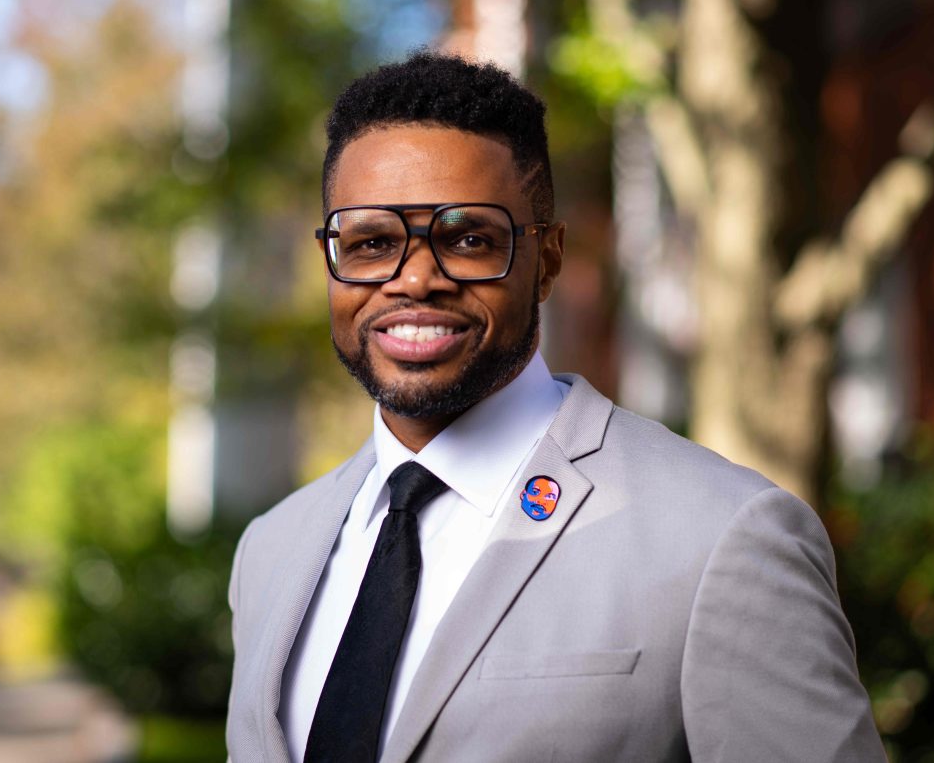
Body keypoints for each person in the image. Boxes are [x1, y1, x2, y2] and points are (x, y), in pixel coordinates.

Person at [226, 52, 885, 763]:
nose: (415, 278)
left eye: (469, 239)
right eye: (372, 242)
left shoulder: (723, 536)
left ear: (548, 259)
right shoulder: (271, 550)